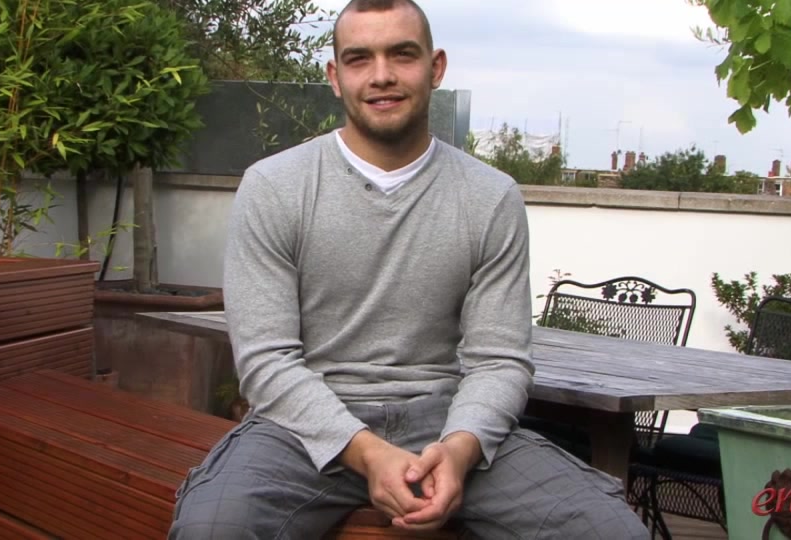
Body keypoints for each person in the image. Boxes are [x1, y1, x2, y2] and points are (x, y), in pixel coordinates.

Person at [169, 0, 650, 538]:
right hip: (302, 430)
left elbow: (499, 361)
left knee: (612, 530)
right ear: (335, 76)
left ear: (435, 67)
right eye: (359, 59)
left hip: (447, 421)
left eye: (402, 54)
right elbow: (266, 361)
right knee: (212, 528)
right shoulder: (275, 188)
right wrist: (370, 453)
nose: (381, 76)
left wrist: (460, 450)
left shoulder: (490, 198)